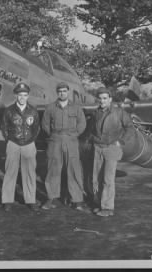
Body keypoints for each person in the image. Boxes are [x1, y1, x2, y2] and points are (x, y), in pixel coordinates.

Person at [41, 82, 90, 213]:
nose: (62, 93)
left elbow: (82, 123)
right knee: (53, 169)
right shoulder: (50, 108)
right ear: (57, 93)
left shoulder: (76, 108)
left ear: (68, 92)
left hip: (71, 140)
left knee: (74, 169)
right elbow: (45, 124)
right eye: (60, 91)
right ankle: (51, 198)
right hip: (55, 140)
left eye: (64, 91)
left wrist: (74, 134)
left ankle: (77, 200)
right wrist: (52, 135)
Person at [90, 87, 134, 217]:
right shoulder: (96, 113)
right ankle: (99, 204)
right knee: (96, 178)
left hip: (111, 148)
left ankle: (108, 208)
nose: (102, 101)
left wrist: (121, 141)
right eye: (100, 98)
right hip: (98, 148)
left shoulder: (119, 112)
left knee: (108, 179)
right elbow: (92, 130)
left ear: (110, 99)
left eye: (105, 98)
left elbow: (130, 128)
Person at [1, 82, 40, 212]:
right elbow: (4, 127)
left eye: (25, 95)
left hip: (29, 144)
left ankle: (31, 200)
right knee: (10, 172)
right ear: (16, 96)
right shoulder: (9, 110)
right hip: (13, 144)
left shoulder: (33, 111)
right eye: (20, 95)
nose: (22, 97)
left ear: (28, 96)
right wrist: (10, 140)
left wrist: (30, 140)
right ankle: (7, 200)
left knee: (29, 173)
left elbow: (36, 128)